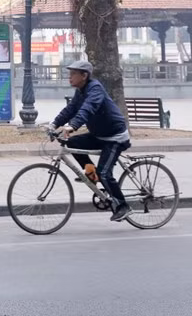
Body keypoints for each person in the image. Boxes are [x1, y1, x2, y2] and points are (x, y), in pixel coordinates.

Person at [48, 60, 133, 222]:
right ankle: (92, 175)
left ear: (84, 75)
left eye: (73, 74)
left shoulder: (95, 89)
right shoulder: (80, 91)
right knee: (72, 143)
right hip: (99, 135)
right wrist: (54, 124)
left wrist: (72, 126)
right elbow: (71, 109)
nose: (69, 77)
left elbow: (88, 108)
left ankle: (123, 206)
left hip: (115, 137)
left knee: (105, 173)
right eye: (70, 73)